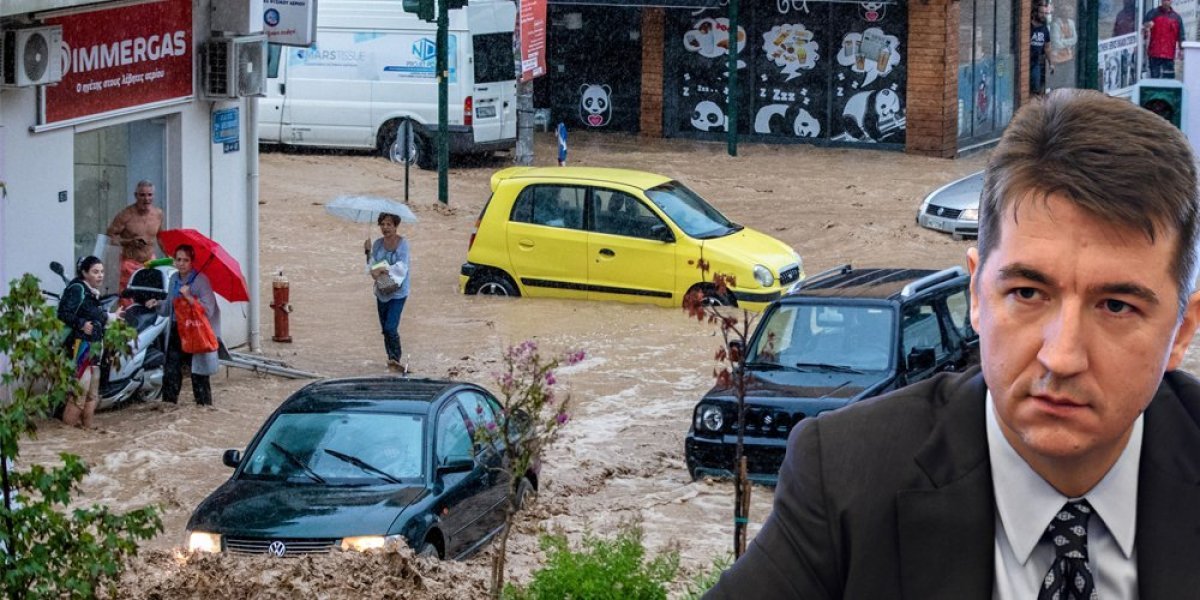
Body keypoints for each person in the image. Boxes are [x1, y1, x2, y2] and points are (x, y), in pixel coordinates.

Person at [705, 89, 1200, 598]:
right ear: (976, 296)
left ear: (1182, 330)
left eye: (1116, 306)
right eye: (1027, 293)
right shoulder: (847, 476)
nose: (1062, 356)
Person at [57, 256, 124, 428]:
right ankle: (67, 436)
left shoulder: (92, 293)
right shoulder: (77, 289)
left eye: (102, 271)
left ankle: (88, 430)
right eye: (95, 272)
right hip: (81, 346)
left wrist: (113, 317)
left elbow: (96, 314)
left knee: (92, 393)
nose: (100, 275)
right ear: (84, 273)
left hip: (95, 346)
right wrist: (80, 324)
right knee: (79, 393)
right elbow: (63, 313)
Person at [149, 245, 220, 406]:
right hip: (177, 330)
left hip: (196, 332)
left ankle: (203, 407)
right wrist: (157, 304)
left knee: (199, 374)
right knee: (171, 372)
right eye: (178, 259)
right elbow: (169, 307)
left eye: (186, 260)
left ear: (192, 262)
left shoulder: (201, 281)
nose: (181, 264)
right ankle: (168, 405)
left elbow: (209, 310)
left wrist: (189, 298)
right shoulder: (173, 279)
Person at [365, 212, 411, 372]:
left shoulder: (403, 244)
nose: (385, 228)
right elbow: (371, 267)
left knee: (391, 327)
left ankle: (396, 358)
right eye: (382, 224)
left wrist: (384, 268)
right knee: (385, 329)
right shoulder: (377, 244)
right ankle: (390, 358)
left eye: (389, 224)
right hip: (381, 291)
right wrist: (367, 253)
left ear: (395, 226)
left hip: (398, 292)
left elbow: (402, 267)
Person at [106, 180, 163, 305]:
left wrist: (171, 257)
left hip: (150, 263)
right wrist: (130, 241)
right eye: (142, 195)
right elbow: (110, 237)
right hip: (129, 263)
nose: (146, 199)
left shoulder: (158, 214)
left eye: (149, 195)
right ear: (135, 195)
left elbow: (160, 237)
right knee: (127, 302)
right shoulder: (125, 215)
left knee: (150, 300)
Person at [1143, 0, 1185, 78]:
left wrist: (1181, 49)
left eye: (1168, 0)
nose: (1166, 2)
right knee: (1155, 79)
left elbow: (1181, 35)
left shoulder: (1176, 17)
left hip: (1169, 54)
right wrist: (1147, 25)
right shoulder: (1153, 13)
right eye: (1164, 0)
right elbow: (1143, 27)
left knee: (1169, 79)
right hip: (1154, 53)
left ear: (1171, 1)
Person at [1030, 1, 1052, 95]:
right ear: (1035, 13)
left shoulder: (1045, 29)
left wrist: (1051, 63)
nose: (1043, 15)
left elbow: (1047, 47)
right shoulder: (1029, 27)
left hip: (1035, 62)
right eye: (1041, 13)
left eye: (1045, 13)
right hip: (1026, 61)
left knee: (1036, 86)